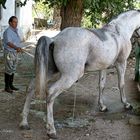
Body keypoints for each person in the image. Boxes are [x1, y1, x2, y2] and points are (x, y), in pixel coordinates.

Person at [3, 16, 22, 93]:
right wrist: (16, 47)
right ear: (10, 23)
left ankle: (11, 85)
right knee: (8, 69)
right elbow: (9, 43)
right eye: (14, 22)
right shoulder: (8, 31)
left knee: (13, 69)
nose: (16, 23)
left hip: (15, 52)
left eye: (17, 22)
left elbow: (16, 41)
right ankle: (6, 87)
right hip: (9, 53)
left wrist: (18, 48)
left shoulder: (15, 31)